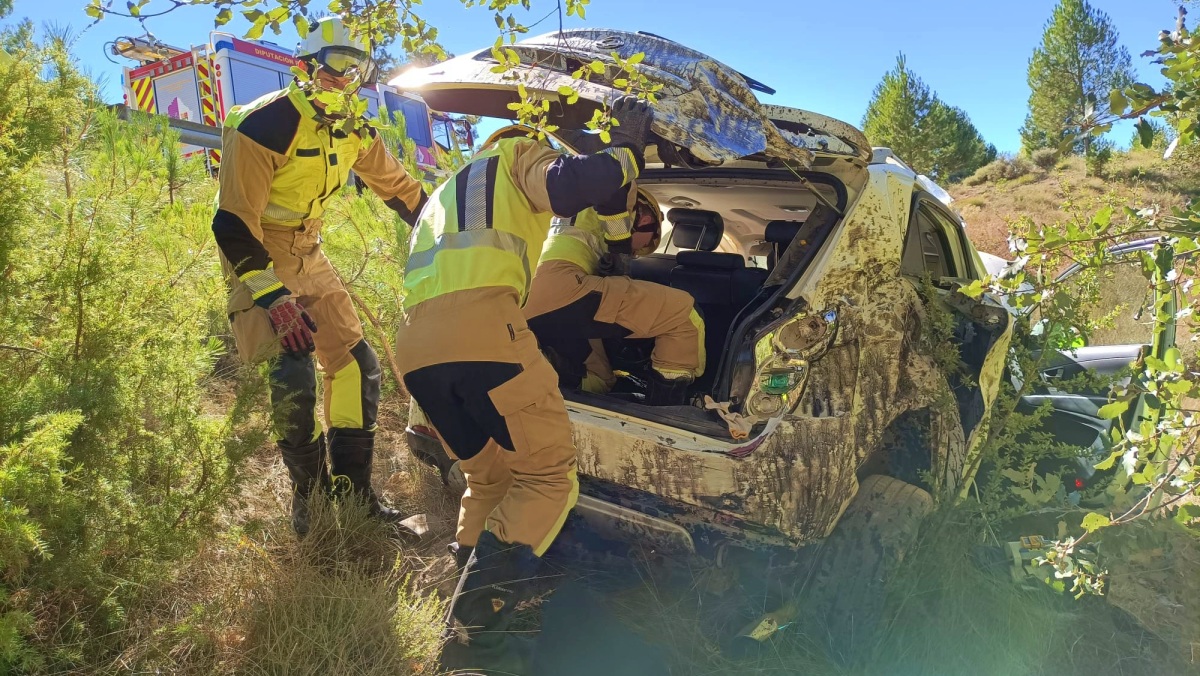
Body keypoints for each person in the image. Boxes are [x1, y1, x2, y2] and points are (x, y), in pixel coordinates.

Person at [394, 99, 652, 672]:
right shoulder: (516, 153)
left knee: (488, 479)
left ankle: (464, 596)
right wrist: (626, 155)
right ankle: (478, 646)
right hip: (483, 329)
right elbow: (566, 186)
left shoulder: (446, 190)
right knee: (547, 481)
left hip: (414, 346)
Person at [211, 16, 427, 536]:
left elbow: (401, 191)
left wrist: (449, 234)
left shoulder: (354, 128)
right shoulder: (264, 123)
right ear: (305, 66)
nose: (346, 76)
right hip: (259, 248)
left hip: (311, 250)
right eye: (336, 63)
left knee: (356, 364)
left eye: (360, 68)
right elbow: (232, 223)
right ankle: (308, 501)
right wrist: (273, 297)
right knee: (293, 368)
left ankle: (353, 495)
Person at [523, 187, 705, 404]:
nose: (637, 253)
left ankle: (534, 365)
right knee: (682, 314)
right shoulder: (622, 192)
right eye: (647, 242)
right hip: (561, 285)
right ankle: (667, 409)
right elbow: (618, 199)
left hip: (525, 292)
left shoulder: (574, 207)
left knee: (600, 379)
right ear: (645, 218)